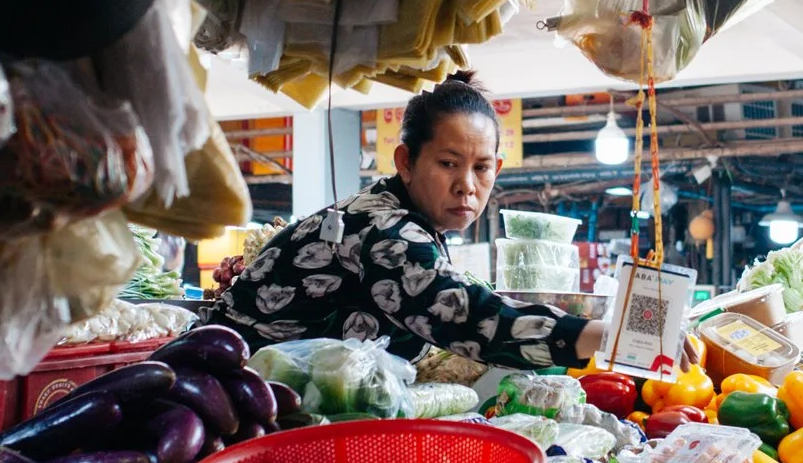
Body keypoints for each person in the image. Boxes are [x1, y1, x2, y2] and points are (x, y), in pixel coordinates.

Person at [203, 73, 606, 369]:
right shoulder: (385, 230)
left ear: (498, 168)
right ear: (406, 162)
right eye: (448, 164)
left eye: (482, 168)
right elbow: (469, 317)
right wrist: (606, 338)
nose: (467, 185)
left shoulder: (400, 216)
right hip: (223, 391)